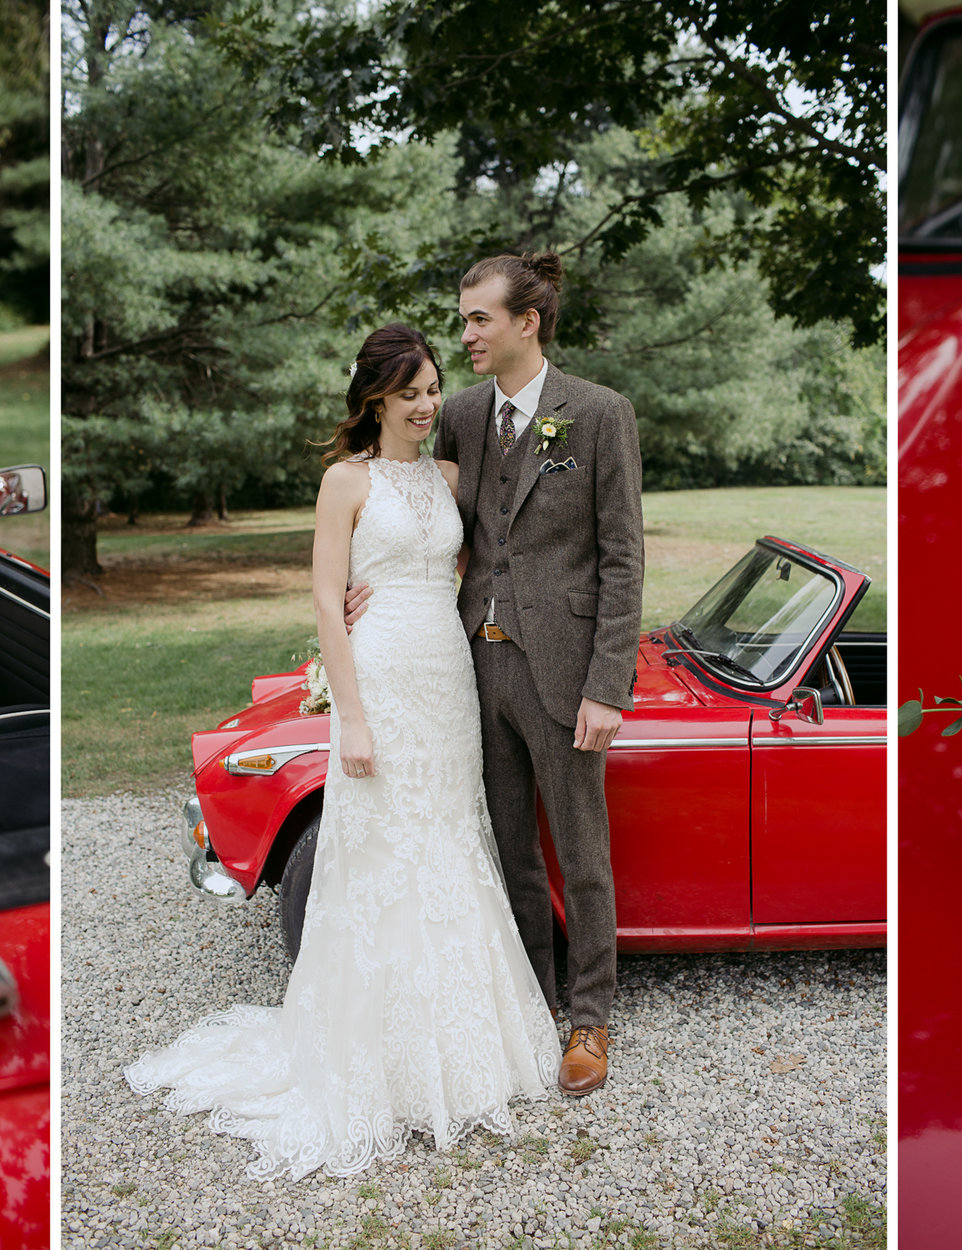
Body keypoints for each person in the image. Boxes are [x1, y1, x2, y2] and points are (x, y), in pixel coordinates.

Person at [125, 323, 560, 1181]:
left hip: (449, 676)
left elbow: (477, 564)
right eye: (410, 394)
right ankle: (380, 1059)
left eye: (434, 387)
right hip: (384, 680)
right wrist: (350, 716)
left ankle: (463, 1047)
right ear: (374, 402)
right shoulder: (343, 482)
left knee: (447, 839)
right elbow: (329, 601)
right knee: (383, 854)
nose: (429, 404)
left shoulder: (448, 477)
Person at [427, 252, 644, 1095]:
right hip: (474, 665)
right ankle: (532, 1003)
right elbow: (435, 527)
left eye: (479, 317)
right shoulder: (458, 414)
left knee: (581, 852)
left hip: (565, 671)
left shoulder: (597, 414)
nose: (466, 332)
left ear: (528, 321)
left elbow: (623, 559)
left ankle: (590, 1019)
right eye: (463, 316)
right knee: (509, 845)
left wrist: (606, 685)